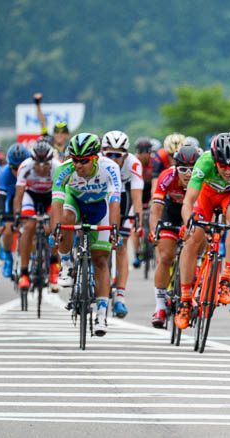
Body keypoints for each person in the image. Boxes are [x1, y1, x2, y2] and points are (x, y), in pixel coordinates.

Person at [174, 133, 230, 330]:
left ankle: (226, 279)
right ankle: (185, 300)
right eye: (223, 166)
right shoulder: (204, 163)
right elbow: (188, 201)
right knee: (194, 239)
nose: (228, 171)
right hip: (207, 197)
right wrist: (189, 223)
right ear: (215, 161)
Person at [52, 133, 121, 336]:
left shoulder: (110, 168)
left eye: (84, 161)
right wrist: (57, 228)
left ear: (95, 158)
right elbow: (56, 201)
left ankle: (101, 313)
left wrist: (114, 229)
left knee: (100, 260)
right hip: (75, 202)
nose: (79, 165)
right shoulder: (63, 170)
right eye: (75, 160)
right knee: (65, 219)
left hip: (99, 208)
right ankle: (66, 264)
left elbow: (115, 201)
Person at [149, 144, 200, 328]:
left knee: (200, 245)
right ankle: (160, 306)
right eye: (183, 169)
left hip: (195, 212)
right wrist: (154, 230)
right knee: (165, 256)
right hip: (170, 213)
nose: (187, 174)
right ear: (175, 168)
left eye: (192, 169)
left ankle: (197, 271)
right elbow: (156, 209)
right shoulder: (167, 176)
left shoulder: (204, 178)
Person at [101, 130, 144, 318]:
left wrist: (137, 220)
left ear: (125, 155)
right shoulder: (97, 162)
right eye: (109, 154)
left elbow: (136, 196)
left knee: (120, 245)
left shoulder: (133, 164)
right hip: (101, 194)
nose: (113, 158)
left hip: (124, 196)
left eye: (117, 155)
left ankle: (120, 297)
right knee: (100, 243)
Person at [14, 140, 60, 291]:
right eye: (37, 165)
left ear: (50, 161)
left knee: (55, 227)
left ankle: (54, 265)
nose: (41, 169)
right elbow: (19, 196)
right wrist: (16, 216)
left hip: (50, 196)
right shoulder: (25, 167)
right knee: (28, 227)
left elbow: (61, 197)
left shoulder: (57, 167)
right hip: (31, 195)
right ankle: (24, 273)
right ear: (32, 161)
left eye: (45, 165)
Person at [0, 143, 30, 281]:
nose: (17, 171)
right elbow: (1, 197)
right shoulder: (5, 174)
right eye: (14, 168)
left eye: (20, 167)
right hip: (11, 202)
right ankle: (8, 257)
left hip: (28, 200)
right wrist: (1, 217)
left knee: (31, 229)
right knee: (8, 230)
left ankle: (33, 257)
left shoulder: (30, 171)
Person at [132, 137, 154, 269]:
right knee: (136, 225)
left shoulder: (154, 162)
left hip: (150, 190)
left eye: (147, 152)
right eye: (141, 152)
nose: (144, 155)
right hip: (137, 190)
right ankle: (136, 253)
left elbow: (157, 183)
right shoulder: (135, 162)